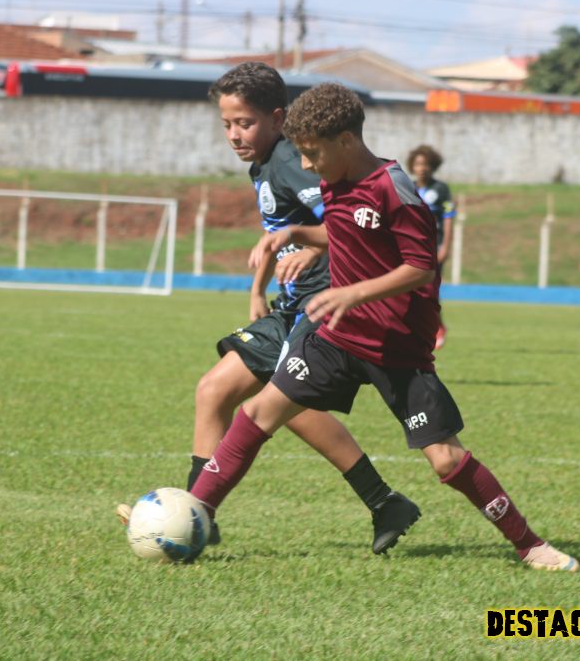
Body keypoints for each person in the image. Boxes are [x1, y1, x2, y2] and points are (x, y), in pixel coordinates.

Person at [187, 82, 579, 571]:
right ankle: (194, 514)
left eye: (312, 153)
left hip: (397, 348)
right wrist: (299, 234)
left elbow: (421, 268)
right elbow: (343, 228)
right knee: (259, 412)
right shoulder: (334, 176)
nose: (305, 165)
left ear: (346, 141)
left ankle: (531, 545)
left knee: (446, 459)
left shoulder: (394, 188)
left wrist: (352, 292)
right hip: (335, 336)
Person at [119, 63, 420, 555]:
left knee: (269, 402)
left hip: (323, 304)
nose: (234, 135)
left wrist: (313, 249)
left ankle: (200, 512)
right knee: (226, 393)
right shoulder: (265, 164)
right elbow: (276, 232)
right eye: (227, 124)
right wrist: (257, 289)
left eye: (245, 123)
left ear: (277, 119)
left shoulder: (287, 161)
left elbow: (347, 219)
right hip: (292, 304)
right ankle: (202, 512)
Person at [408, 145, 455, 349]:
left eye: (426, 164)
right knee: (410, 289)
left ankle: (437, 327)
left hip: (433, 247)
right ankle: (419, 328)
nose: (422, 168)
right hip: (411, 247)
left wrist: (445, 246)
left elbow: (448, 218)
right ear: (412, 166)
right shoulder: (408, 187)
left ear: (432, 166)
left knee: (429, 289)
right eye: (418, 164)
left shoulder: (441, 189)